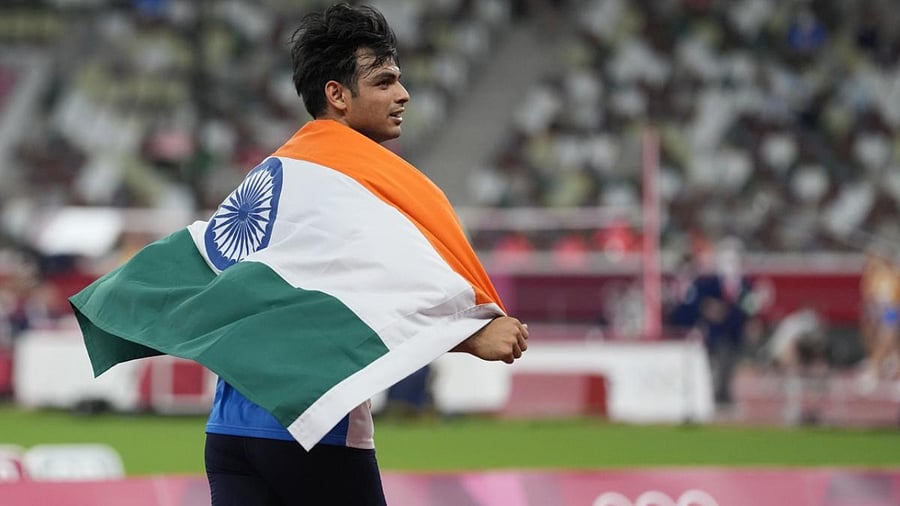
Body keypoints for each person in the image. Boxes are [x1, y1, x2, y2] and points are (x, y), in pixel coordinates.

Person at [69, 4, 528, 505]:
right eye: (384, 81)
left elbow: (252, 287)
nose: (403, 94)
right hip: (312, 429)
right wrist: (470, 332)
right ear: (337, 95)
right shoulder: (353, 186)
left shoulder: (276, 173)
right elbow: (363, 307)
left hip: (230, 435)